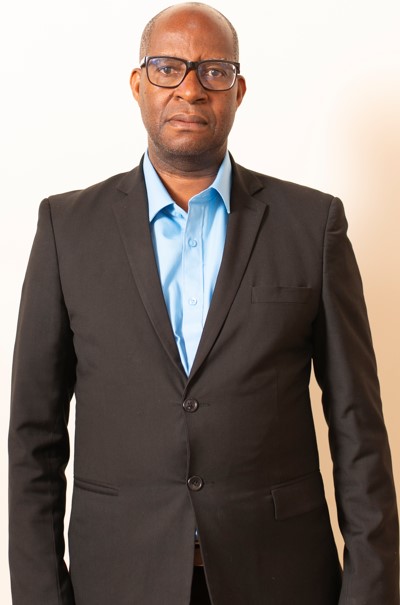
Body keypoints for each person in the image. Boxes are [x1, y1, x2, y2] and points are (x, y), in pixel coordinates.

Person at [8, 3, 399, 604]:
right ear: (137, 84)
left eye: (214, 71)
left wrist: (371, 592)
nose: (190, 89)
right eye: (167, 67)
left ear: (238, 91)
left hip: (280, 577)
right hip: (118, 579)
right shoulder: (67, 228)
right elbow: (33, 436)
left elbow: (357, 426)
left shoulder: (312, 225)